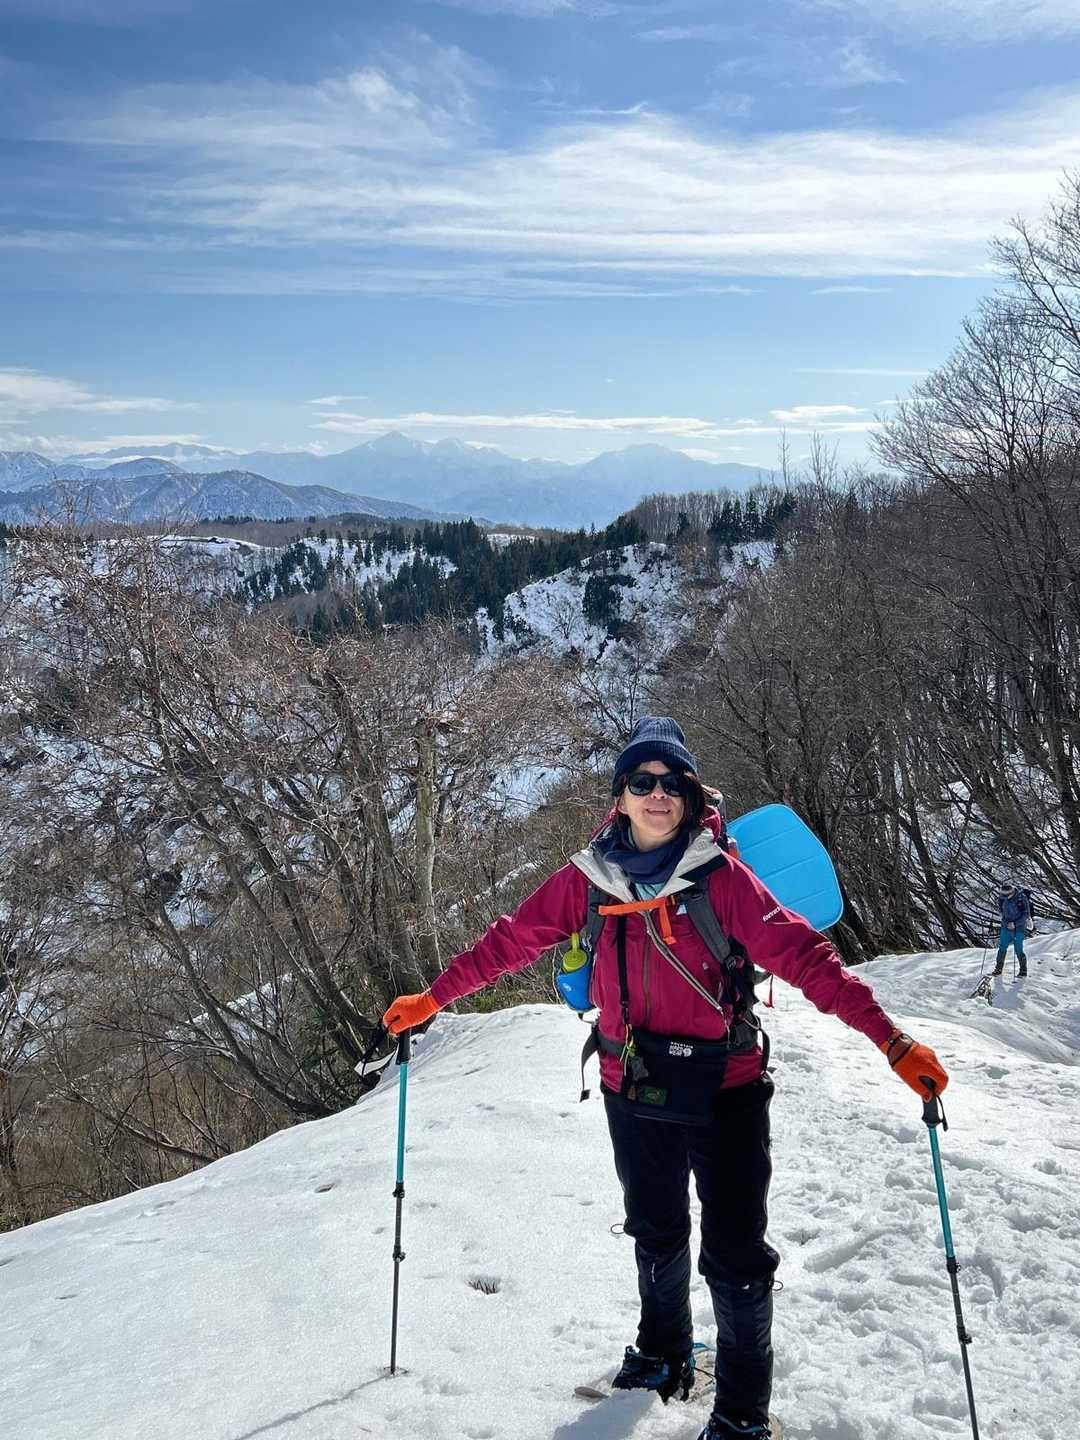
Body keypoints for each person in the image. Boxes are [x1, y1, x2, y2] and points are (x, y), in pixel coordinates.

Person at [383, 716, 948, 1440]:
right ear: (620, 796)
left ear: (690, 797)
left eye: (672, 783)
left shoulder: (723, 880)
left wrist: (891, 1041)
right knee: (654, 1227)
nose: (658, 794)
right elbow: (510, 941)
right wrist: (433, 999)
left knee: (736, 1254)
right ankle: (663, 1350)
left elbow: (808, 959)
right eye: (643, 781)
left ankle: (741, 1414)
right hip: (632, 1083)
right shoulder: (588, 882)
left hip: (727, 1088)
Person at [993, 883, 1032, 978]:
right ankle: (998, 969)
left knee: (1018, 948)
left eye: (1006, 895)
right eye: (1003, 895)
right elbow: (1002, 913)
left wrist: (1015, 923)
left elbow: (1026, 914)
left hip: (1019, 927)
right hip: (1006, 926)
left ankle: (1023, 971)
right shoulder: (1002, 898)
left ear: (1012, 892)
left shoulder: (1021, 898)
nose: (1004, 897)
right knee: (1002, 947)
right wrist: (1006, 923)